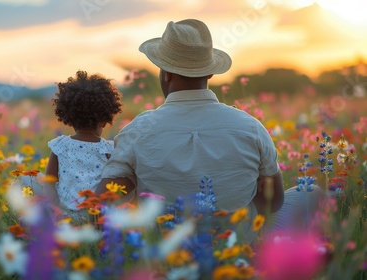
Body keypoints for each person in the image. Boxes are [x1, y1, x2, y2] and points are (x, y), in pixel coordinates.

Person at [95, 19, 323, 243]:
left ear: (165, 73)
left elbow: (104, 200)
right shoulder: (250, 126)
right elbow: (274, 203)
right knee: (312, 191)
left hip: (165, 249)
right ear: (210, 73)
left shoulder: (137, 130)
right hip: (238, 245)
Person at [42, 70, 123, 222]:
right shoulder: (108, 149)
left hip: (66, 216)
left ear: (68, 117)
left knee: (28, 181)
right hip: (95, 218)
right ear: (104, 120)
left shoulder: (61, 145)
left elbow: (49, 181)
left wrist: (55, 209)